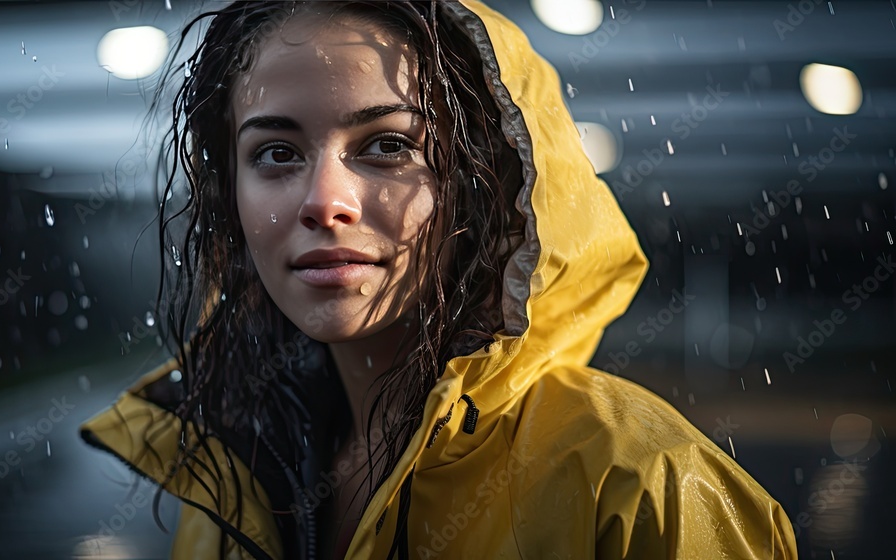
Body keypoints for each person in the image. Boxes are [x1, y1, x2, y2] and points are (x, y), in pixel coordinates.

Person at [81, 1, 799, 558]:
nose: (323, 200)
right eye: (274, 152)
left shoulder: (642, 486)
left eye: (388, 145)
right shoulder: (230, 481)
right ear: (229, 196)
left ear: (485, 187)